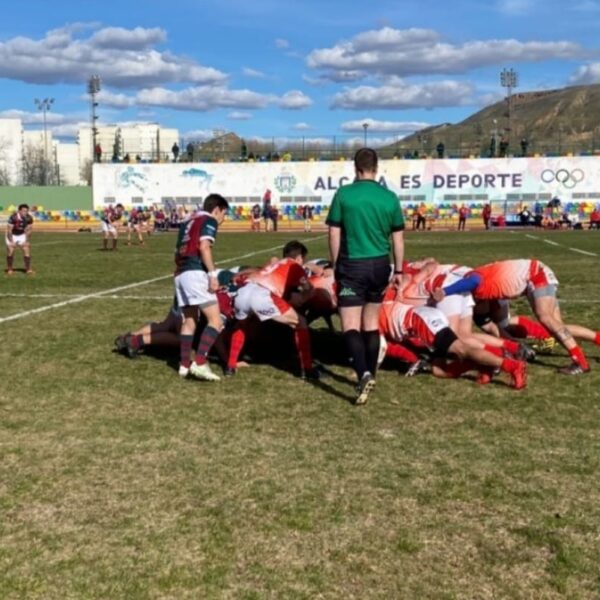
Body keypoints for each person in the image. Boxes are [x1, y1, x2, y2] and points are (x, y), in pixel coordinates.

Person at [326, 147, 405, 405]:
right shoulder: (389, 197)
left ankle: (363, 373)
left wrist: (335, 264)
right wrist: (400, 269)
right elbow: (398, 238)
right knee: (370, 323)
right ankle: (371, 373)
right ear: (376, 168)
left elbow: (334, 233)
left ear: (355, 168)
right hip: (381, 265)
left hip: (353, 265)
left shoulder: (344, 194)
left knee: (349, 325)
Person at [431, 259, 592, 375]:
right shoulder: (481, 286)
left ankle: (580, 362)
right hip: (536, 272)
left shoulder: (473, 277)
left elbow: (474, 281)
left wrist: (446, 291)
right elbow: (486, 324)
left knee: (545, 317)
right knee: (556, 326)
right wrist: (512, 347)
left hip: (535, 274)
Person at [226, 241, 318, 379]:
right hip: (264, 296)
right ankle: (308, 369)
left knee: (241, 325)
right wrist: (307, 295)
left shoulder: (275, 264)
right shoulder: (295, 266)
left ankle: (230, 366)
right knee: (301, 322)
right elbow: (308, 288)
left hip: (245, 291)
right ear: (299, 258)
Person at [174, 194, 230, 381]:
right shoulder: (209, 219)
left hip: (180, 273)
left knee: (190, 321)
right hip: (195, 272)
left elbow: (178, 249)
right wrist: (213, 275)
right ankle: (199, 361)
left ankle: (183, 365)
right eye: (224, 213)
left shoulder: (188, 220)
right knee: (216, 320)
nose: (223, 218)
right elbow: (204, 246)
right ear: (217, 209)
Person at [5, 203, 34, 275]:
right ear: (19, 211)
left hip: (22, 234)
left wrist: (26, 241)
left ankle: (28, 269)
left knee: (26, 248)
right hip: (12, 235)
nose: (25, 212)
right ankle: (10, 269)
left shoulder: (29, 218)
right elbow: (9, 230)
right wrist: (11, 241)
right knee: (11, 250)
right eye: (23, 211)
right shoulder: (13, 217)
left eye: (26, 211)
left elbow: (29, 230)